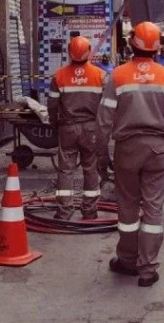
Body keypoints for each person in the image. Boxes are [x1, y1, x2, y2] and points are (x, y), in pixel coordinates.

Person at [97, 21, 164, 287]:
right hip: (159, 150)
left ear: (129, 44)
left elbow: (103, 122)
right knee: (153, 207)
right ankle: (148, 270)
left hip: (127, 150)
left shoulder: (118, 76)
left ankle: (127, 260)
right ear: (159, 48)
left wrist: (102, 157)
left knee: (127, 206)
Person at [47, 36, 107, 220]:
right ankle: (90, 211)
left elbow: (52, 105)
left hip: (67, 128)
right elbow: (107, 105)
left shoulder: (59, 76)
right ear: (89, 51)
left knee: (66, 169)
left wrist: (53, 121)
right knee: (90, 168)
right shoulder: (100, 75)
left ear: (68, 51)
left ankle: (64, 211)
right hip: (91, 128)